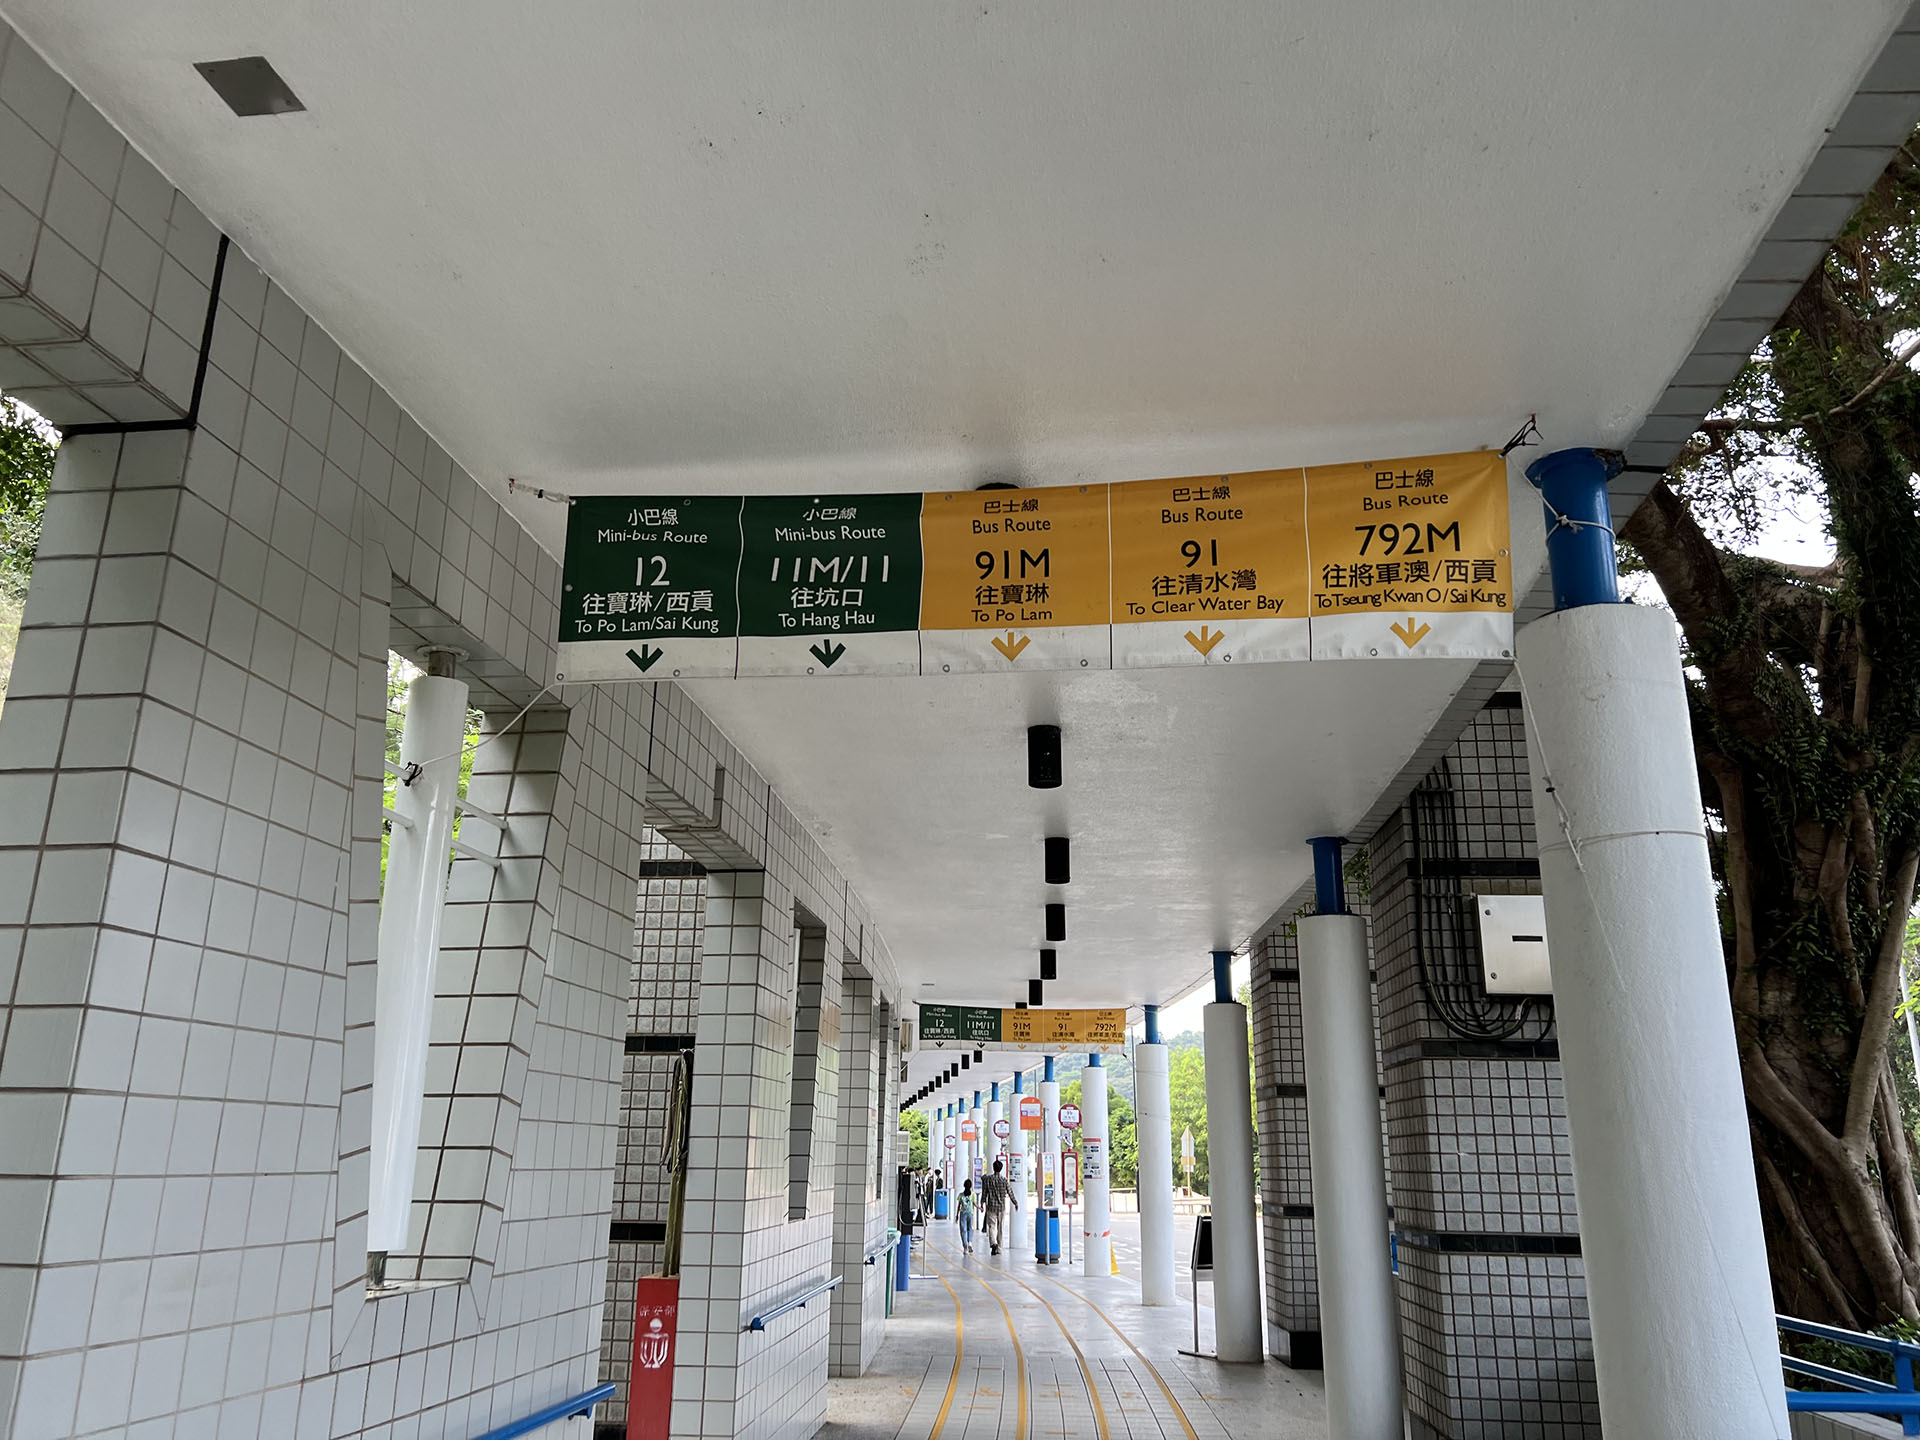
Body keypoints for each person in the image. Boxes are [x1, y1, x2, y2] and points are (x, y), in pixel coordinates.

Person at [981, 1159, 1011, 1255]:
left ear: (993, 1168)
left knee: (991, 1226)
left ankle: (993, 1243)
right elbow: (1010, 1192)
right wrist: (1015, 1202)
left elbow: (984, 1192)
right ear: (1001, 1169)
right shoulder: (1004, 1180)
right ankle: (999, 1248)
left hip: (991, 1207)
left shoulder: (988, 1179)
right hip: (1001, 1207)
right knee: (1000, 1227)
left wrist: (982, 1202)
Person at [957, 1178, 977, 1254]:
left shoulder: (961, 1195)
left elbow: (959, 1206)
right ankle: (970, 1242)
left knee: (963, 1230)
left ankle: (965, 1247)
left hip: (963, 1214)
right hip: (970, 1214)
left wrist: (956, 1215)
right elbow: (974, 1204)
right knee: (971, 1229)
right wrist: (980, 1208)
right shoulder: (973, 1195)